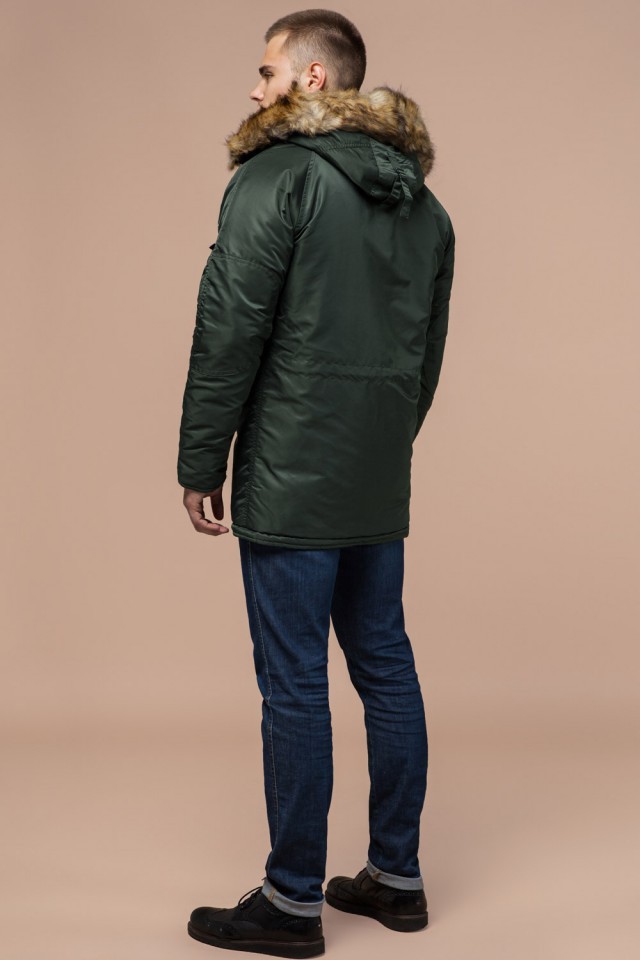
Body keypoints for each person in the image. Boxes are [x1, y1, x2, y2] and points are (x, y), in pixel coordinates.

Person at [177, 9, 456, 957]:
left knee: (294, 681)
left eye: (266, 71)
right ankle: (397, 878)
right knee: (386, 664)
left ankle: (292, 902)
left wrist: (201, 457)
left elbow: (229, 326)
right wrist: (381, 445)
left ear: (312, 80)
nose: (253, 88)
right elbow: (424, 358)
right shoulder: (425, 206)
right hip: (374, 475)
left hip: (291, 475)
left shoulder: (276, 177)